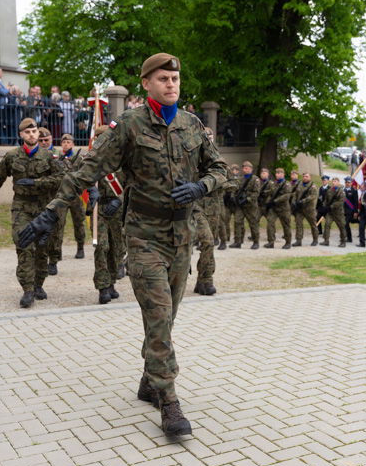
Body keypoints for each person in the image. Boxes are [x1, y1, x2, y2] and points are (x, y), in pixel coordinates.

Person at [16, 53, 227, 437]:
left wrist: (201, 185)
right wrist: (51, 212)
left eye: (175, 79)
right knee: (160, 316)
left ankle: (150, 379)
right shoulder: (129, 125)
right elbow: (87, 169)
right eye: (163, 78)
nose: (171, 85)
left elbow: (219, 169)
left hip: (181, 237)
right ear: (146, 83)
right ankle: (169, 400)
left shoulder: (191, 125)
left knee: (167, 316)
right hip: (144, 234)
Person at [0, 118, 63, 308]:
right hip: (22, 206)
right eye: (28, 132)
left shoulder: (48, 156)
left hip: (43, 207)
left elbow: (59, 178)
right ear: (21, 135)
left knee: (42, 248)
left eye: (34, 131)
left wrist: (37, 183)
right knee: (23, 243)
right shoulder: (12, 156)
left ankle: (38, 284)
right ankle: (27, 289)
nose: (32, 135)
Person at [90, 126, 127, 303]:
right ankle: (102, 286)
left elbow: (133, 184)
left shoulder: (121, 160)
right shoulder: (91, 160)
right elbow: (78, 178)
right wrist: (91, 191)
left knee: (116, 248)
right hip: (99, 209)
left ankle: (111, 282)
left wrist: (119, 199)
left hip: (117, 209)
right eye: (97, 137)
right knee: (101, 247)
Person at [50, 133, 88, 261]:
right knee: (58, 224)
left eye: (68, 142)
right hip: (61, 196)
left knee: (79, 222)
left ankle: (80, 246)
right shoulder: (57, 158)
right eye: (63, 142)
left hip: (75, 196)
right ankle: (57, 251)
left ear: (73, 144)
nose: (66, 144)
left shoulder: (79, 158)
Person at [231, 160, 261, 249]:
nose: (245, 169)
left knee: (253, 223)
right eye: (244, 168)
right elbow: (235, 189)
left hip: (250, 206)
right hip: (240, 205)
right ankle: (238, 241)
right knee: (237, 222)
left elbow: (256, 193)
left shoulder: (255, 179)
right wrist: (234, 196)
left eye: (247, 168)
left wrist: (247, 199)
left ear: (251, 169)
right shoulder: (240, 179)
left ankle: (256, 242)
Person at [264, 167, 293, 249]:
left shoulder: (287, 184)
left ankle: (288, 242)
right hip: (274, 208)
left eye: (280, 173)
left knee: (286, 225)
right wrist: (268, 202)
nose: (278, 174)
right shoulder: (274, 184)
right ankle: (271, 242)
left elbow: (287, 195)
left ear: (283, 174)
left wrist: (276, 200)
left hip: (284, 208)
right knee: (270, 223)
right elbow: (271, 193)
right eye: (277, 173)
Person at [291, 172, 318, 246]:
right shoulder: (299, 184)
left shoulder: (313, 186)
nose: (305, 178)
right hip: (300, 209)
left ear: (310, 177)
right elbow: (295, 193)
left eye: (306, 176)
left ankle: (315, 239)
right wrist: (293, 201)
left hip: (309, 209)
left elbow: (312, 196)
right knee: (298, 223)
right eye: (303, 176)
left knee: (313, 225)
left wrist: (302, 201)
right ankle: (298, 240)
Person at [321, 177, 347, 247]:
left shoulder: (341, 191)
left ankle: (343, 241)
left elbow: (341, 202)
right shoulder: (329, 190)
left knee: (341, 226)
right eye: (333, 181)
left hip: (338, 213)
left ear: (338, 182)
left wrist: (331, 206)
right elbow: (326, 200)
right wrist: (324, 206)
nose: (333, 183)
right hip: (330, 213)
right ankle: (326, 240)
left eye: (335, 181)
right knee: (327, 225)